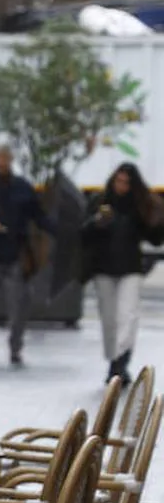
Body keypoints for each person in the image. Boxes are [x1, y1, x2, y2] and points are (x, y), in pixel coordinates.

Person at [0, 144, 55, 367]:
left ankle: (15, 345)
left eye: (6, 157)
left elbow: (38, 215)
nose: (3, 161)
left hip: (16, 254)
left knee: (19, 303)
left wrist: (58, 230)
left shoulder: (23, 188)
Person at [80, 162, 164, 383]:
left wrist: (155, 220)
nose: (122, 186)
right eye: (119, 181)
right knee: (109, 318)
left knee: (128, 315)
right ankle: (113, 360)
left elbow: (155, 238)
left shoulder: (141, 205)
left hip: (130, 268)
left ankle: (120, 363)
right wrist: (97, 223)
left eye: (126, 182)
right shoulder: (100, 202)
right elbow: (83, 233)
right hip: (103, 269)